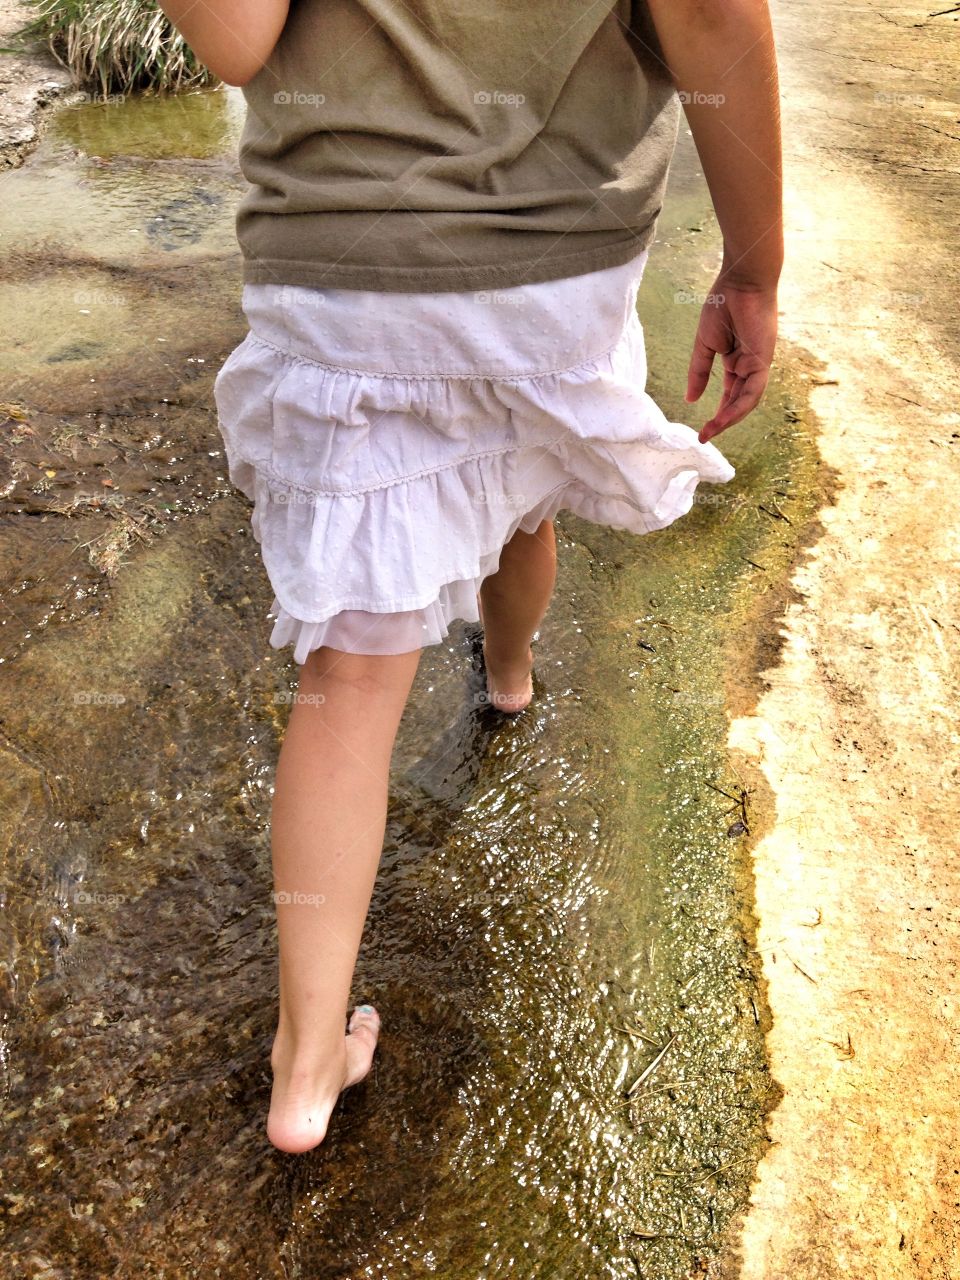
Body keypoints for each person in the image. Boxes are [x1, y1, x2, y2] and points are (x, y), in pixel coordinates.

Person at [160, 0, 782, 1153]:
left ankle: (306, 1071)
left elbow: (235, 38)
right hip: (555, 260)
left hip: (344, 262)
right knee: (523, 502)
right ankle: (508, 674)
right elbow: (706, 13)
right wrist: (754, 264)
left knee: (351, 676)